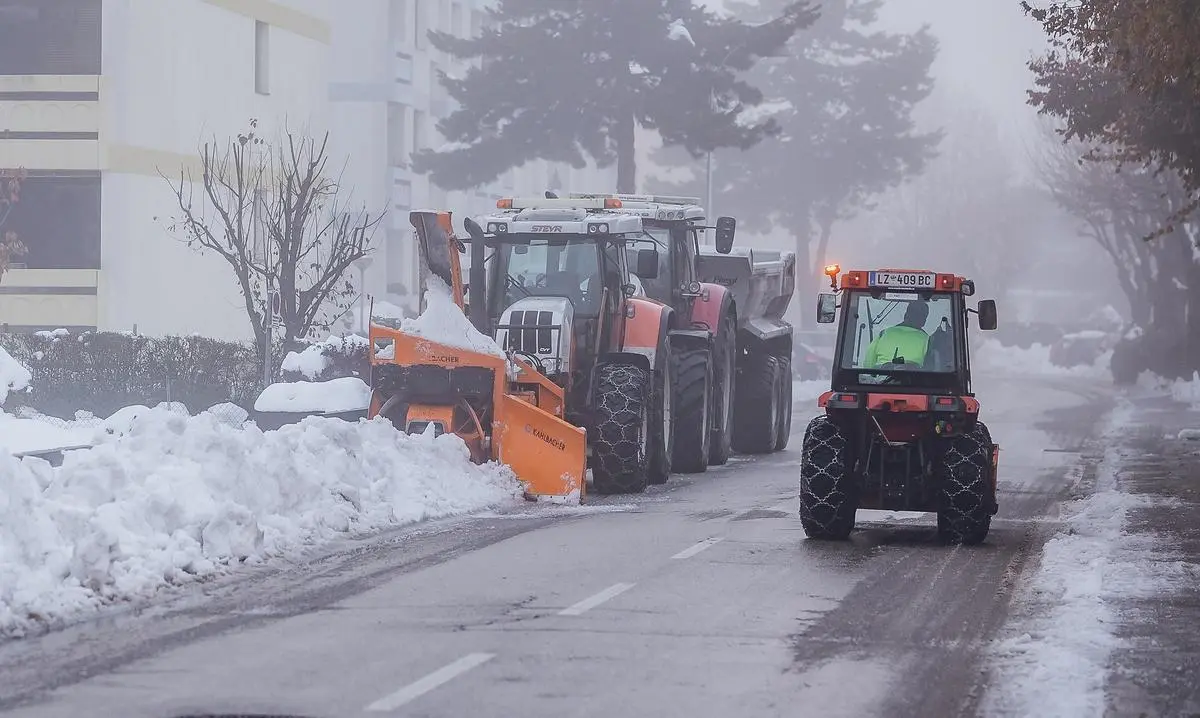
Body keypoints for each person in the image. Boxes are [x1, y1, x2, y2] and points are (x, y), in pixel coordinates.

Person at [864, 301, 930, 368]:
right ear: (923, 321)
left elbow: (868, 365)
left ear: (905, 315)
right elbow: (932, 367)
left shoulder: (884, 334)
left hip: (881, 377)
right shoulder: (927, 340)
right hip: (912, 377)